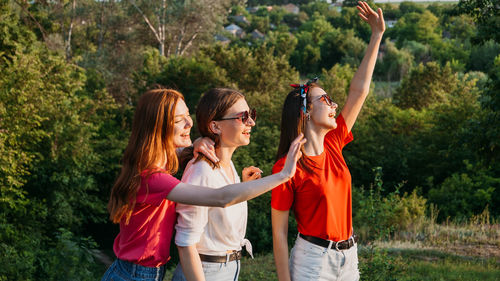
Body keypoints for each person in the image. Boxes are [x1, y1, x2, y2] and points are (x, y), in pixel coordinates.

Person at [101, 88, 306, 281]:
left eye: (188, 115)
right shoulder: (153, 177)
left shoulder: (162, 162)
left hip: (142, 271)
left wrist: (196, 143)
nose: (189, 123)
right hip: (136, 274)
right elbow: (220, 198)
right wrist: (283, 175)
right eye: (179, 120)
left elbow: (185, 157)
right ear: (159, 127)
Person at [271, 2, 385, 281]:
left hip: (348, 256)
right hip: (313, 261)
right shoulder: (285, 168)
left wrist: (376, 35)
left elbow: (359, 91)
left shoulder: (334, 142)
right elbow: (279, 234)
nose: (333, 104)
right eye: (325, 100)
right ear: (306, 112)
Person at [171, 88, 261, 281]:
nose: (251, 122)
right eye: (243, 117)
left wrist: (243, 187)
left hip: (227, 268)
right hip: (206, 271)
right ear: (216, 127)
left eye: (251, 114)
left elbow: (220, 219)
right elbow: (186, 244)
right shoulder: (201, 171)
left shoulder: (227, 166)